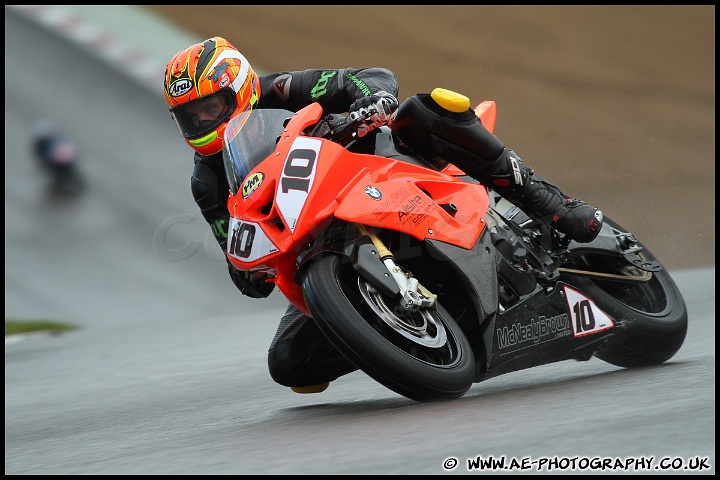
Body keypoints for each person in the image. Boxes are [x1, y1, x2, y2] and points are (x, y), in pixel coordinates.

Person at [163, 37, 604, 394]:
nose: (202, 122)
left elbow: (369, 78)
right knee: (289, 363)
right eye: (190, 117)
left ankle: (552, 204)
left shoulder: (281, 89)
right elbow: (234, 251)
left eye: (211, 107)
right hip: (319, 241)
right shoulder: (208, 182)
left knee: (424, 111)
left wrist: (370, 102)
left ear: (238, 87)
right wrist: (251, 273)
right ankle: (395, 337)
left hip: (385, 174)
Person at [31, 119, 85, 195]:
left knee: (63, 179)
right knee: (65, 178)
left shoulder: (45, 144)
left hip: (60, 164)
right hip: (62, 163)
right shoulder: (54, 141)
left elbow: (43, 157)